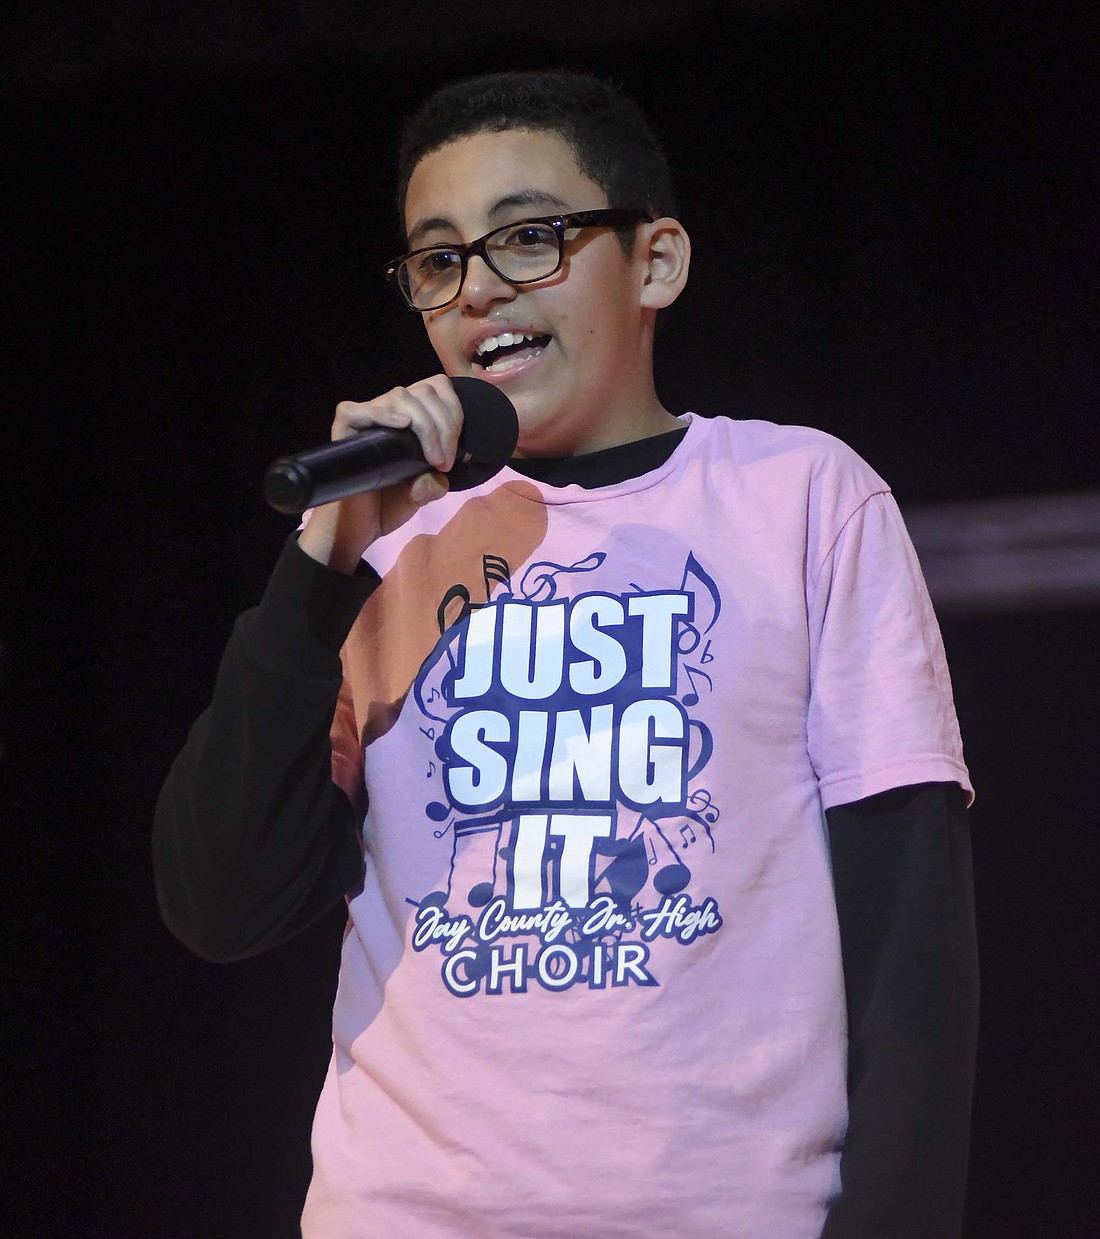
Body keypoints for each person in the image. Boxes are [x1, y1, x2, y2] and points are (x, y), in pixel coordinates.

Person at [154, 70, 978, 1238]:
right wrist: (317, 567)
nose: (478, 286)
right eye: (437, 259)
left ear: (655, 264)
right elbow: (218, 902)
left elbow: (909, 943)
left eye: (529, 238)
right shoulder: (387, 545)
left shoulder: (797, 496)